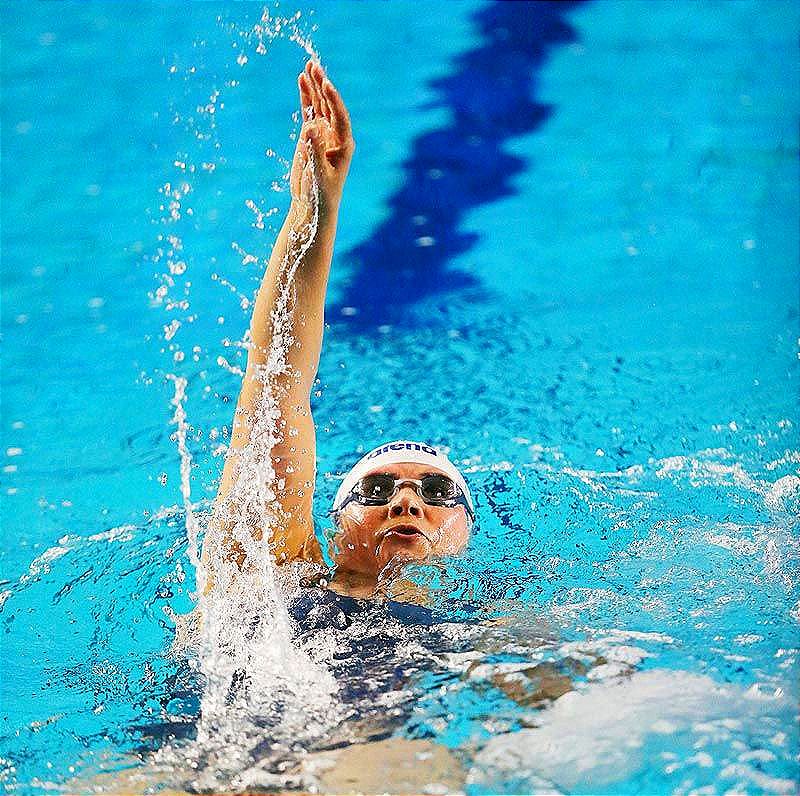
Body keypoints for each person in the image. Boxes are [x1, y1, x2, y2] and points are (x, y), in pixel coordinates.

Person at [207, 60, 475, 598]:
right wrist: (313, 211)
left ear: (467, 533)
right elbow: (274, 394)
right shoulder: (279, 588)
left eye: (437, 490)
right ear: (331, 532)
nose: (406, 502)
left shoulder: (492, 640)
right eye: (374, 491)